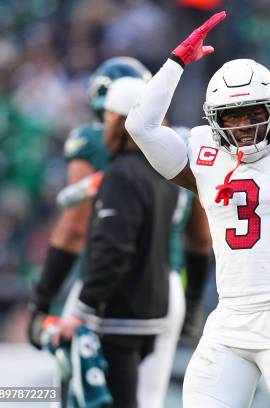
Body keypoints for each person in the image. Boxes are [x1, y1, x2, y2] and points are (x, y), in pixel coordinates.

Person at [126, 10, 270, 408]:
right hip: (228, 323)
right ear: (215, 121)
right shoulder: (205, 155)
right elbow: (140, 127)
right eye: (234, 117)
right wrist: (176, 61)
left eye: (255, 113)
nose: (245, 127)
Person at [29, 57, 211, 408]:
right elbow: (201, 238)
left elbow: (74, 230)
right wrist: (192, 306)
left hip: (110, 292)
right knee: (149, 399)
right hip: (166, 290)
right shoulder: (180, 147)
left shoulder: (104, 152)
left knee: (81, 390)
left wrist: (43, 299)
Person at [54, 76, 179, 407]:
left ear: (119, 121)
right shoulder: (164, 172)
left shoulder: (122, 174)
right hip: (153, 311)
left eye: (108, 118)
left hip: (121, 316)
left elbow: (113, 251)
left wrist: (81, 310)